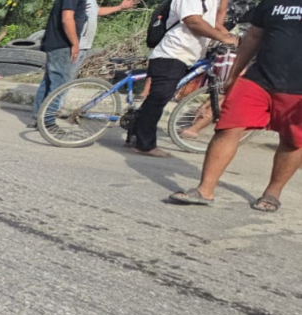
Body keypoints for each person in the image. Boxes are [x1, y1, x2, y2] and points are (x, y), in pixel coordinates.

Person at [169, 0, 302, 212]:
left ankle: (272, 193)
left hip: (298, 89)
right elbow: (254, 36)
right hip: (258, 80)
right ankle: (205, 190)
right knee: (227, 127)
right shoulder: (271, 2)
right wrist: (235, 73)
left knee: (293, 141)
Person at [127, 0, 237, 157]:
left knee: (156, 99)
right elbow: (193, 21)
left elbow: (213, 24)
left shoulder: (210, 2)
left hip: (183, 56)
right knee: (158, 99)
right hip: (172, 54)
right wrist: (222, 38)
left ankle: (134, 135)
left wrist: (232, 37)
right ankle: (144, 145)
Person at [30, 0, 89, 127]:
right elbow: (67, 18)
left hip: (54, 44)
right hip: (62, 45)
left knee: (48, 83)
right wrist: (75, 43)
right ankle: (48, 122)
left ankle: (37, 119)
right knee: (59, 85)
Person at [79, 0, 140, 65]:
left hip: (84, 44)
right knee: (70, 72)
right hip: (75, 43)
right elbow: (68, 16)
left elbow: (96, 11)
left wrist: (120, 7)